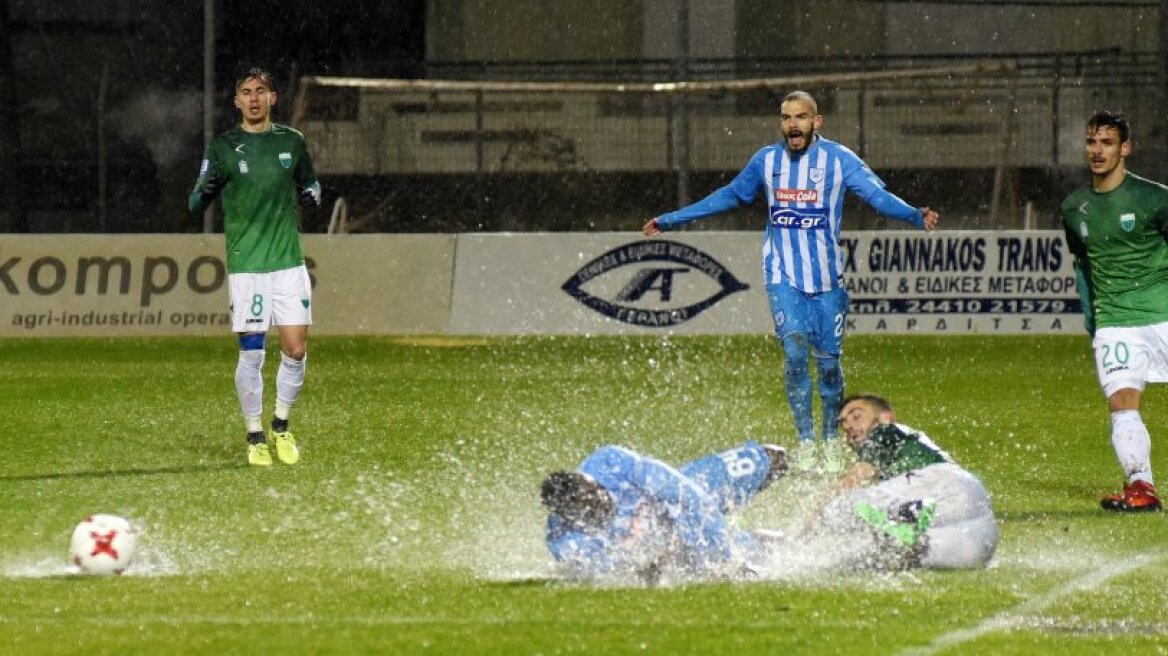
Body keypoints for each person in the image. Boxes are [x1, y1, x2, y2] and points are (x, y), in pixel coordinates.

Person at [643, 90, 939, 475]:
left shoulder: (838, 160)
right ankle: (805, 441)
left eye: (800, 117)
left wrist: (915, 216)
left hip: (828, 281)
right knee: (796, 352)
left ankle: (831, 441)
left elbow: (876, 196)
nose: (792, 125)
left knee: (829, 367)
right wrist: (670, 220)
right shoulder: (766, 161)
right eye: (786, 118)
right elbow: (730, 195)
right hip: (782, 275)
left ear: (817, 122)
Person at [188, 67, 322, 467]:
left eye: (260, 91)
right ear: (236, 101)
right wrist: (206, 190)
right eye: (245, 92)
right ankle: (255, 434)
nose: (253, 98)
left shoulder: (291, 142)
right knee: (252, 352)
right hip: (248, 266)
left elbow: (311, 183)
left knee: (295, 349)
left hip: (288, 262)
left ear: (272, 98)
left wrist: (313, 195)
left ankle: (281, 426)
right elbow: (194, 203)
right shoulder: (225, 147)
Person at [1060, 111, 1168, 512]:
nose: (1097, 150)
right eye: (1091, 142)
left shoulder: (1155, 198)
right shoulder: (1075, 207)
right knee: (1122, 402)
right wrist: (1093, 318)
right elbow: (1084, 264)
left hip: (1163, 315)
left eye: (1107, 143)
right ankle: (1142, 488)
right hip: (1116, 324)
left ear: (1126, 148)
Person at [540, 441, 788, 583]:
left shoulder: (608, 462)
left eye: (598, 493)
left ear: (591, 481)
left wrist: (728, 559)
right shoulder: (567, 541)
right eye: (591, 509)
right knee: (743, 548)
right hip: (667, 551)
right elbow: (623, 574)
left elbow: (683, 493)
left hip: (681, 496)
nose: (603, 502)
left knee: (772, 457)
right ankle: (795, 544)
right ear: (572, 517)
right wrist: (656, 561)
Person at [809, 394, 998, 570]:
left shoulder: (885, 432)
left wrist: (810, 525)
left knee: (841, 507)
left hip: (939, 484)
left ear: (886, 417)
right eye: (843, 423)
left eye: (856, 416)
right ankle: (905, 529)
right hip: (978, 527)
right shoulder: (905, 447)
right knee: (888, 555)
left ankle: (902, 524)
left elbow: (857, 477)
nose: (848, 425)